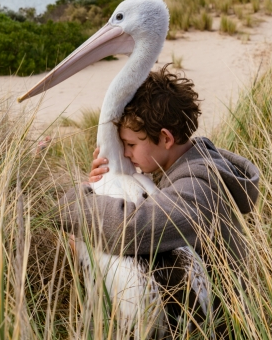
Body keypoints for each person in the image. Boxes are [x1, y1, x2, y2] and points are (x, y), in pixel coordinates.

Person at [58, 65, 260, 332]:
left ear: (165, 138)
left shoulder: (197, 186)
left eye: (130, 145)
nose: (127, 153)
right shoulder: (191, 164)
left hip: (223, 323)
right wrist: (106, 182)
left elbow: (132, 228)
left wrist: (77, 202)